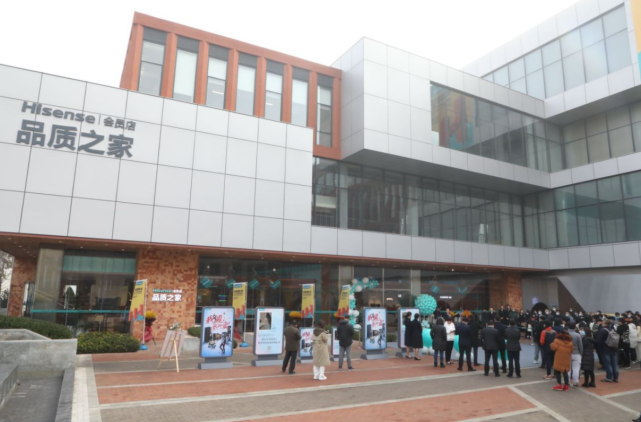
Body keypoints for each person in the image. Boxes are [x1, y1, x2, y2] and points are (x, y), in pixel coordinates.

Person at [579, 323, 596, 388]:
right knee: (591, 370)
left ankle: (586, 383)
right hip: (590, 354)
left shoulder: (584, 339)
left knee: (586, 370)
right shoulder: (591, 339)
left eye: (583, 331)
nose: (582, 332)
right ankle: (592, 382)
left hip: (585, 354)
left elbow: (582, 346)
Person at [567, 321, 583, 387]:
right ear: (575, 327)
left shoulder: (565, 334)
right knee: (576, 368)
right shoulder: (577, 335)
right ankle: (575, 382)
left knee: (568, 368)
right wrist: (581, 353)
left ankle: (567, 381)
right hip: (576, 353)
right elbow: (580, 345)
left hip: (567, 353)